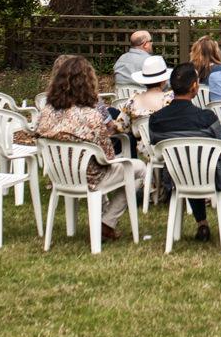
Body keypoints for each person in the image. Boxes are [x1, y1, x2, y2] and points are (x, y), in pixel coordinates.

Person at [34, 54, 145, 241]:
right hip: (91, 178)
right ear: (88, 82)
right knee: (139, 168)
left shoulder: (46, 112)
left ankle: (105, 220)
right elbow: (108, 156)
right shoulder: (92, 116)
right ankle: (107, 222)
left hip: (60, 175)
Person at [146, 64, 221, 243]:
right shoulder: (207, 117)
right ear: (194, 87)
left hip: (176, 174)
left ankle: (202, 223)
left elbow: (157, 145)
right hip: (210, 174)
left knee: (188, 162)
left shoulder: (156, 120)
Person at [112, 56, 176, 160]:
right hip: (166, 150)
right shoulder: (170, 98)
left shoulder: (133, 100)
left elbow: (121, 126)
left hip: (142, 153)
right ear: (164, 80)